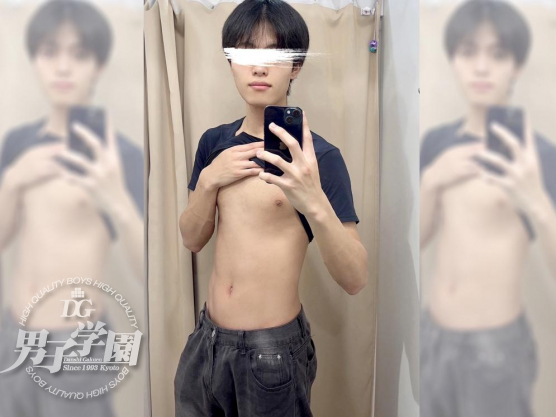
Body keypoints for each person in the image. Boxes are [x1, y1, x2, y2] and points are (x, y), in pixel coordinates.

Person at [175, 0, 368, 415]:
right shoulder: (214, 143)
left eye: (275, 54)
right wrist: (209, 181)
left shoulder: (318, 159)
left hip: (271, 354)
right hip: (205, 342)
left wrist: (312, 199)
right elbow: (192, 239)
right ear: (231, 62)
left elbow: (355, 278)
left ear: (295, 67)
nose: (259, 68)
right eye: (246, 53)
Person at [0, 0, 144, 415]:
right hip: (12, 333)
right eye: (50, 52)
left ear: (98, 65)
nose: (63, 67)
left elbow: (149, 271)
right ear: (35, 60)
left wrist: (115, 197)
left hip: (74, 347)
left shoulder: (120, 157)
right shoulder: (18, 143)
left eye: (79, 54)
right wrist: (13, 181)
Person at [419, 1, 556, 416]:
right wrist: (432, 181)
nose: (481, 67)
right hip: (432, 336)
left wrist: (536, 200)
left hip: (495, 349)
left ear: (516, 66)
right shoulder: (436, 143)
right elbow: (420, 239)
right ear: (453, 60)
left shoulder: (538, 156)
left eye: (497, 54)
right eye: (468, 51)